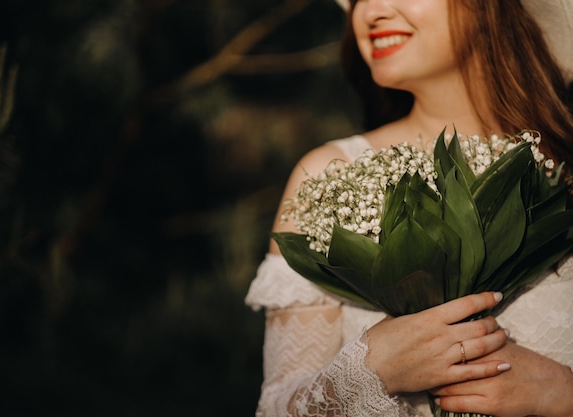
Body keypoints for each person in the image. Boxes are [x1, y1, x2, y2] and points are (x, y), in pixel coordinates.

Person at [245, 0, 573, 416]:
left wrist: (561, 392)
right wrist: (371, 371)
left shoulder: (564, 166)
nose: (371, 12)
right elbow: (274, 408)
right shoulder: (328, 175)